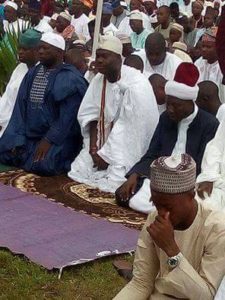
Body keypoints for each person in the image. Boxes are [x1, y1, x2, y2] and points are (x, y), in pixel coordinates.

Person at [114, 154, 225, 300]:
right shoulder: (155, 218)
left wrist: (172, 250)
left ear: (191, 195)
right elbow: (141, 284)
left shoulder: (217, 229)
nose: (161, 213)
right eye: (156, 204)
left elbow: (205, 296)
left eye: (167, 206)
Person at [115, 63, 219, 214]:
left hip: (188, 185)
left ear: (190, 103)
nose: (170, 110)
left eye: (176, 106)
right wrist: (134, 175)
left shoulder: (209, 124)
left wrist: (178, 187)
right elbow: (152, 153)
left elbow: (205, 167)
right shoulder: (166, 118)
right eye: (168, 104)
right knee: (122, 195)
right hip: (160, 180)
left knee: (198, 206)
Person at [68, 35, 159, 193]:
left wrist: (108, 155)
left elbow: (130, 130)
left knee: (115, 181)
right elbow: (90, 116)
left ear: (118, 58)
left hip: (126, 148)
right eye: (98, 56)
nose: (99, 61)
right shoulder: (98, 79)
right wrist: (94, 149)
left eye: (105, 56)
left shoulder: (137, 84)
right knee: (79, 169)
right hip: (101, 142)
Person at [0, 32, 88, 175]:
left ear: (59, 52)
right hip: (30, 135)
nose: (40, 51)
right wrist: (18, 137)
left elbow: (67, 117)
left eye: (46, 48)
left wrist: (49, 139)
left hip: (56, 137)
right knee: (6, 151)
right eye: (39, 48)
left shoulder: (70, 78)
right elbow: (21, 109)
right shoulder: (32, 73)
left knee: (45, 165)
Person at [0, 29, 41, 138]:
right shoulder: (20, 68)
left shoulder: (42, 73)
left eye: (25, 49)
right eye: (19, 48)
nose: (20, 52)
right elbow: (7, 96)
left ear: (37, 51)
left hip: (21, 129)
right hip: (5, 120)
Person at [195, 27, 225, 102]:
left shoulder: (222, 66)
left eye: (208, 47)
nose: (204, 49)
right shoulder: (198, 63)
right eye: (203, 46)